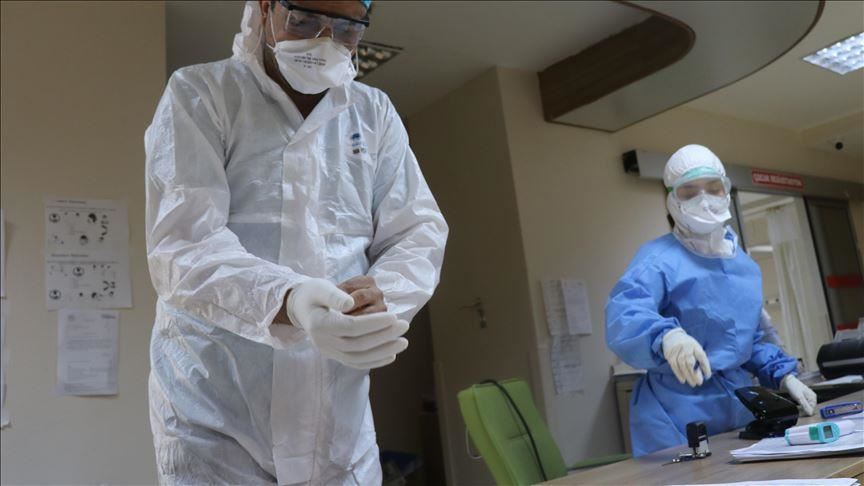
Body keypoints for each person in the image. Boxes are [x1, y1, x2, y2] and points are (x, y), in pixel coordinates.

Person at [144, 0, 448, 483]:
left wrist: (383, 296)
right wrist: (286, 299)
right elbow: (184, 243)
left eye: (347, 28)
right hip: (215, 420)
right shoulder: (203, 92)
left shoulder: (373, 112)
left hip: (339, 428)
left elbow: (417, 231)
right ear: (265, 8)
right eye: (303, 19)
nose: (323, 41)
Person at [605, 144, 816, 457]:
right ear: (671, 200)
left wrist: (783, 375)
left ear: (726, 190)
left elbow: (746, 341)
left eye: (713, 188)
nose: (704, 199)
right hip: (674, 412)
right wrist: (667, 337)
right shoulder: (657, 260)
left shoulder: (744, 267)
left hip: (738, 406)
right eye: (689, 192)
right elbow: (624, 314)